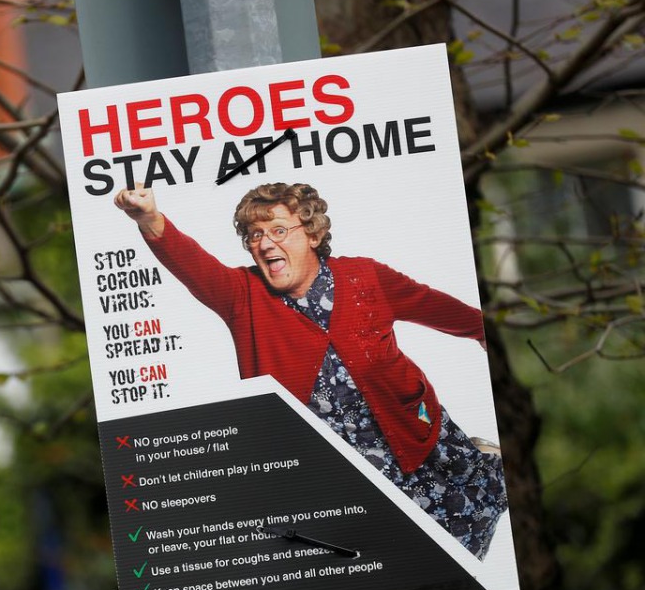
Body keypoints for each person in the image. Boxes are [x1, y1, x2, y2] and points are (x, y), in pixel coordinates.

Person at [113, 182, 507, 560]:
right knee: (404, 552)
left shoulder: (365, 276)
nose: (265, 243)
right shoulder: (242, 295)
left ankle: (482, 458)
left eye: (278, 230)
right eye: (254, 235)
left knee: (473, 518)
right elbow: (191, 264)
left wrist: (482, 330)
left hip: (411, 425)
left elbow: (428, 303)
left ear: (313, 235)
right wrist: (149, 218)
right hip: (341, 464)